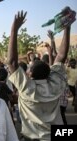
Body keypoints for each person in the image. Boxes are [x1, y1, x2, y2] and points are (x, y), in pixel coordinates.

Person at [7, 11, 73, 140]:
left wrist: (14, 29)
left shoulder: (26, 88)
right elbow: (61, 56)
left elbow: (12, 62)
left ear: (30, 73)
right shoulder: (55, 83)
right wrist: (67, 27)